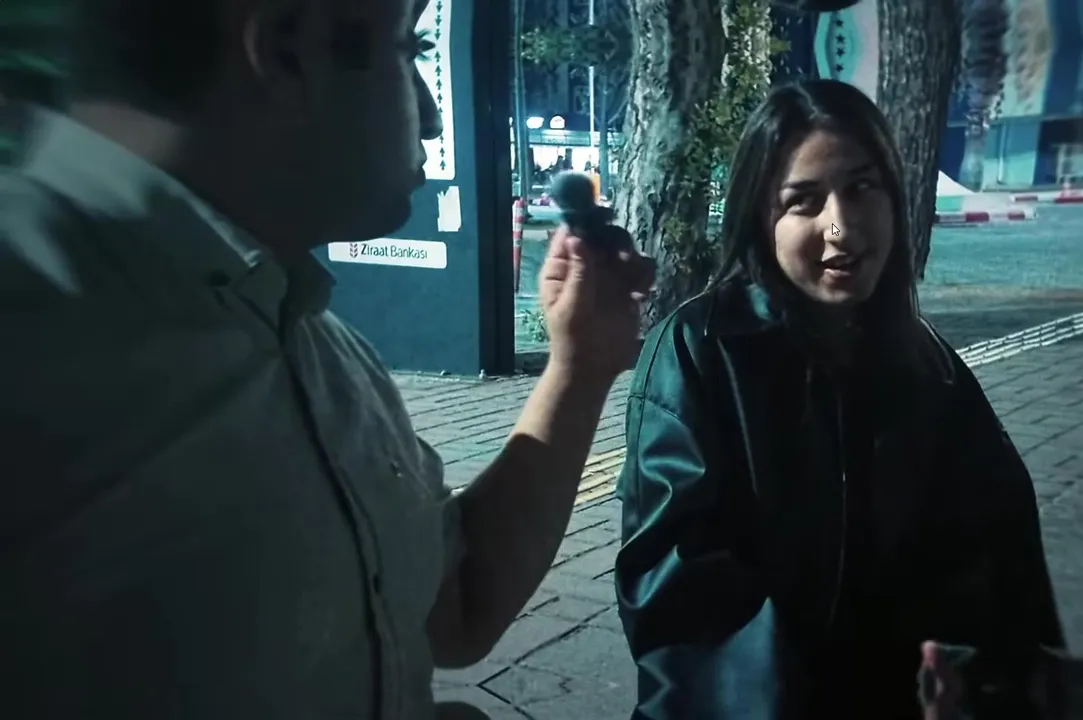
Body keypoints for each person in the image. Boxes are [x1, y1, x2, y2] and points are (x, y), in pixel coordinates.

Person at [0, 0, 652, 718]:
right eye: (408, 53)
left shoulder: (316, 342)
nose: (432, 118)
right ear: (288, 48)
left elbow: (458, 609)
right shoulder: (32, 327)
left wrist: (580, 366)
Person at [613, 79, 1065, 719]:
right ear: (760, 217)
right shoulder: (700, 350)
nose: (842, 228)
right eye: (803, 201)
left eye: (861, 188)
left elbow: (998, 557)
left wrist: (987, 681)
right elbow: (679, 596)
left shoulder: (927, 362)